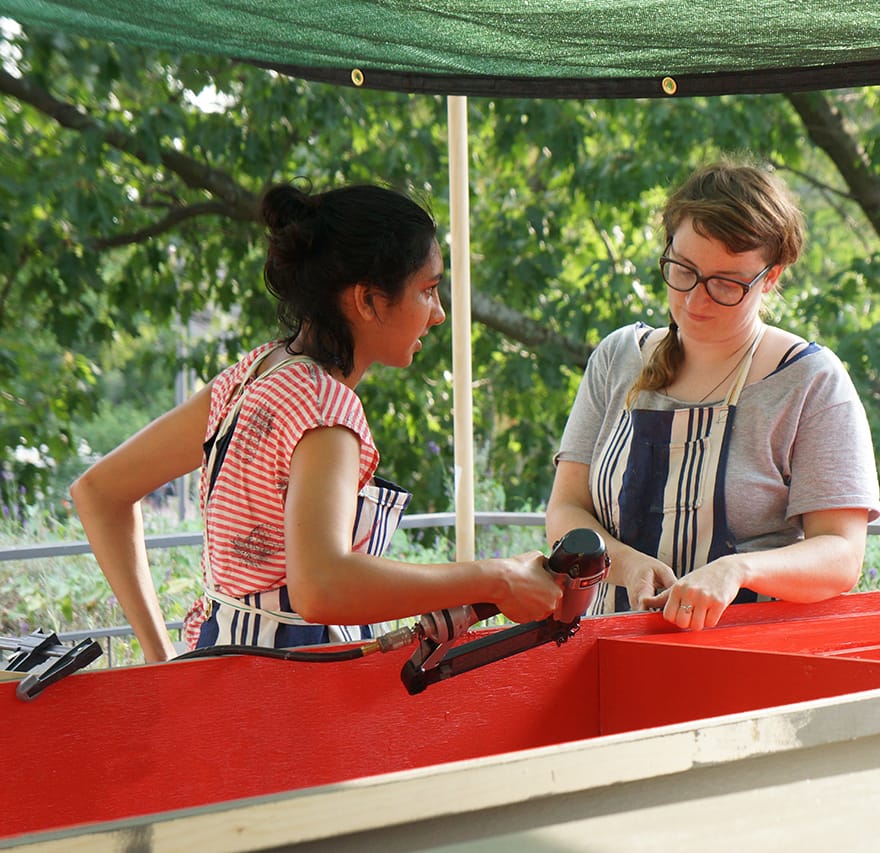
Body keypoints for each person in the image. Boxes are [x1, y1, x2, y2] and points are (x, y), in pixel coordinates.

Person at [71, 182, 562, 662]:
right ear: (367, 301)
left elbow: (98, 493)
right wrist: (496, 578)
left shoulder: (250, 377)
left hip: (214, 664)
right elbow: (322, 586)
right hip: (291, 695)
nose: (437, 314)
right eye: (427, 290)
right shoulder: (328, 410)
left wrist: (160, 660)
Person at [546, 160, 880, 630]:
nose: (695, 300)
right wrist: (627, 564)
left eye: (726, 283)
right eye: (682, 270)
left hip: (743, 659)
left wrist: (737, 570)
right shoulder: (618, 358)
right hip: (602, 639)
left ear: (771, 277)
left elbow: (842, 554)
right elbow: (564, 510)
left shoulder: (810, 381)